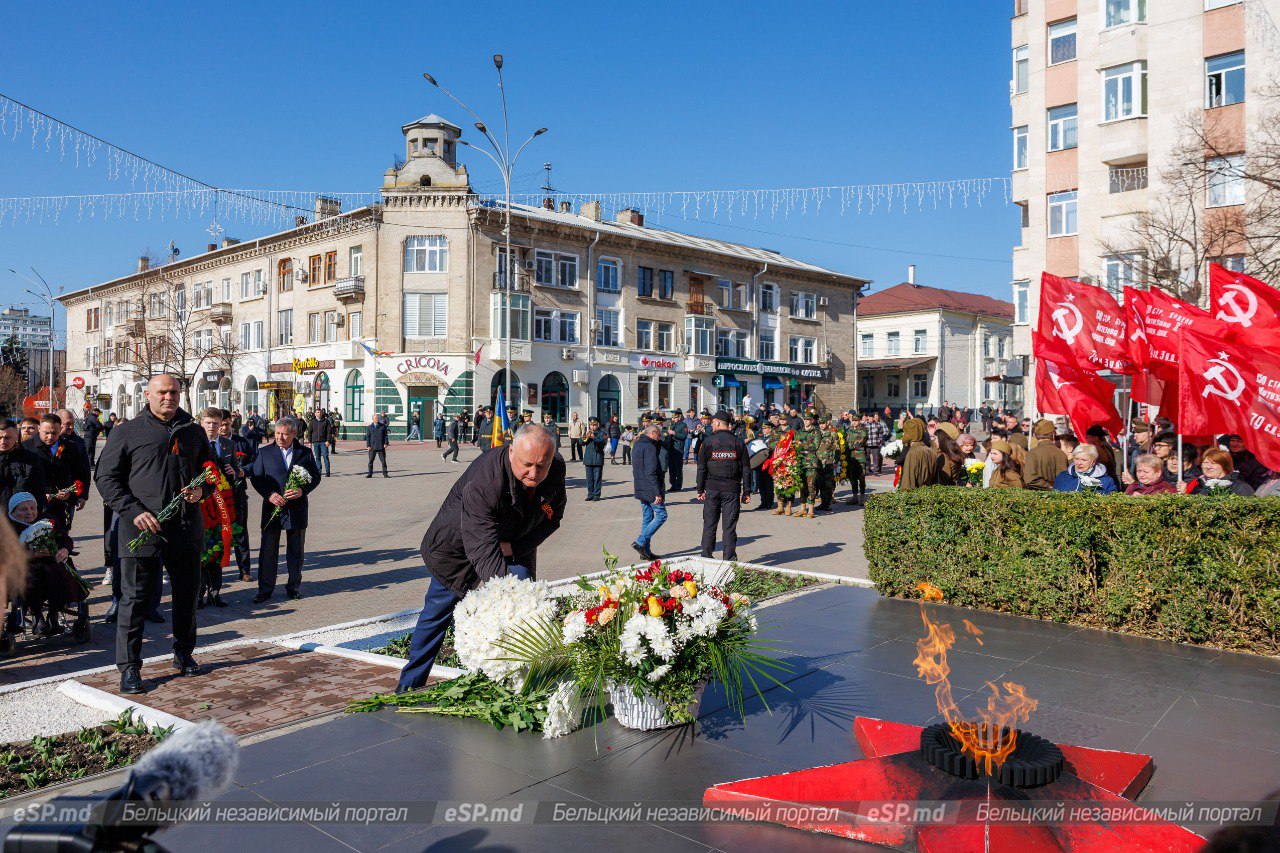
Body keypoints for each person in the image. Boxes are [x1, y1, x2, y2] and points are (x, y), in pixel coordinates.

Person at [396, 425, 565, 692]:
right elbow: (481, 548)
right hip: (458, 550)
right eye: (527, 465)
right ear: (511, 451)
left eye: (541, 466)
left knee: (524, 607)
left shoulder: (554, 466)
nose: (534, 474)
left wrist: (516, 548)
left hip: (514, 544)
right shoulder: (485, 482)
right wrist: (508, 598)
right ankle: (408, 686)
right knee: (437, 615)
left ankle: (518, 685)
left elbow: (553, 517)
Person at [94, 374, 211, 695]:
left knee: (187, 596)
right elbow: (105, 478)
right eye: (162, 392)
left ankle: (184, 654)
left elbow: (210, 471)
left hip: (185, 529)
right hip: (141, 530)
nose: (168, 398)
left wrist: (202, 490)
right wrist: (133, 511)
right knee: (134, 600)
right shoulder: (127, 432)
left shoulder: (194, 431)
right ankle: (129, 668)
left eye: (174, 392)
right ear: (148, 394)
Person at [249, 419, 322, 602]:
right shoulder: (264, 452)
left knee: (296, 552)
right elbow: (257, 478)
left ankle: (293, 586)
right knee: (268, 551)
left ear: (294, 434)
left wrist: (302, 491)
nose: (280, 437)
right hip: (272, 508)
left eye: (284, 434)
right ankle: (265, 589)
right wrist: (269, 494)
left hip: (296, 509)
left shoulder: (304, 453)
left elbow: (315, 476)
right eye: (277, 433)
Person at [197, 408, 239, 608]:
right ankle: (198, 594)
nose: (213, 427)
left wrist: (234, 473)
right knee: (200, 552)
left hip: (223, 505)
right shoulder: (194, 444)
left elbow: (235, 472)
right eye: (208, 423)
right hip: (201, 505)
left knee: (218, 548)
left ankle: (215, 593)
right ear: (201, 423)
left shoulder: (228, 444)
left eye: (216, 423)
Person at [697, 411, 751, 561]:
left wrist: (700, 489)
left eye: (713, 422)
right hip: (731, 491)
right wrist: (747, 492)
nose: (712, 424)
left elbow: (701, 468)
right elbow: (746, 469)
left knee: (709, 524)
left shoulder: (708, 442)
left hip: (712, 490)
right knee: (729, 527)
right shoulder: (739, 442)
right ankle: (729, 558)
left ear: (719, 423)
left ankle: (706, 556)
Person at [25, 414, 79, 531]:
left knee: (60, 541)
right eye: (46, 433)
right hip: (33, 507)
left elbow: (79, 474)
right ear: (39, 428)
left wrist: (72, 494)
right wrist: (39, 495)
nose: (50, 437)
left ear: (60, 430)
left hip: (60, 506)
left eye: (54, 433)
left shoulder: (70, 447)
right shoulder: (26, 448)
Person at [218, 408, 254, 582]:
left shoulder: (241, 442)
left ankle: (245, 569)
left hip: (238, 493)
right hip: (216, 495)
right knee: (217, 532)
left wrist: (241, 471)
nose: (223, 428)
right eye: (221, 425)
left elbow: (255, 463)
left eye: (226, 424)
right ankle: (215, 572)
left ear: (231, 423)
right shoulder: (210, 443)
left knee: (240, 531)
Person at [630, 423, 667, 561]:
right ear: (652, 433)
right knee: (662, 515)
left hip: (640, 486)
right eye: (658, 435)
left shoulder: (638, 444)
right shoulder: (650, 447)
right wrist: (657, 492)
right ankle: (640, 542)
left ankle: (645, 551)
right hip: (650, 488)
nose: (659, 438)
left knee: (647, 517)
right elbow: (651, 471)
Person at [0, 419, 45, 514]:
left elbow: (39, 491)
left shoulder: (30, 459)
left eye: (7, 438)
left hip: (22, 517)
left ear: (16, 436)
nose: (3, 442)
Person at [1053, 444, 1118, 494]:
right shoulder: (1063, 477)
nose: (1079, 463)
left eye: (1084, 460)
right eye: (1077, 459)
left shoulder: (1106, 481)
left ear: (1093, 462)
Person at [1024, 419, 1069, 491]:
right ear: (1053, 435)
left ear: (1035, 436)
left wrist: (1049, 487)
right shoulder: (1061, 453)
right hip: (1058, 497)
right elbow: (1064, 479)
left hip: (1038, 497)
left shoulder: (1032, 453)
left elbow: (1030, 480)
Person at [1189, 448, 1255, 496]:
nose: (1208, 467)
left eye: (1213, 463)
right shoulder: (1198, 486)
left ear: (1224, 465)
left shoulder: (1240, 488)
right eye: (1205, 463)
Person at [897, 418, 937, 491]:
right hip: (927, 494)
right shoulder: (930, 451)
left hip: (915, 496)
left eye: (906, 431)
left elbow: (907, 485)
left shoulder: (913, 453)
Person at [582, 416, 607, 501]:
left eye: (594, 425)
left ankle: (596, 495)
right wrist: (585, 436)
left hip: (597, 459)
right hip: (588, 459)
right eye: (591, 425)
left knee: (597, 479)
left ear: (598, 424)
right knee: (589, 479)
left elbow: (602, 443)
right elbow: (582, 443)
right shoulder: (587, 433)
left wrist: (594, 437)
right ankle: (590, 494)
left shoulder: (602, 433)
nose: (592, 427)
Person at [306, 409, 332, 478]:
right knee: (317, 457)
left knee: (325, 456)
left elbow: (329, 432)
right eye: (318, 412)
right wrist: (310, 442)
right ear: (315, 413)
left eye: (320, 412)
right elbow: (309, 432)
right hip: (315, 442)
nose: (319, 413)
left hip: (324, 442)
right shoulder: (312, 422)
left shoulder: (326, 421)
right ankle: (319, 472)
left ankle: (327, 472)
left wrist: (328, 441)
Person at [667, 410, 688, 491]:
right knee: (671, 468)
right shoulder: (672, 424)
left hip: (678, 449)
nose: (673, 419)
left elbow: (684, 436)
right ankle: (672, 484)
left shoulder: (683, 425)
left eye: (675, 417)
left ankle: (678, 486)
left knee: (678, 469)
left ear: (679, 417)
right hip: (671, 449)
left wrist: (674, 433)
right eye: (672, 417)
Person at [365, 412, 390, 477]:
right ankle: (370, 474)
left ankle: (385, 473)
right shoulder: (369, 427)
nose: (377, 419)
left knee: (383, 461)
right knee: (370, 461)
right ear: (373, 419)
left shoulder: (383, 426)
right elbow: (368, 437)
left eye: (378, 418)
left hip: (381, 446)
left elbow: (385, 436)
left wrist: (386, 443)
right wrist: (368, 446)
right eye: (376, 418)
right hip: (372, 447)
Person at [865, 411, 888, 476]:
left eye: (872, 417)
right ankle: (866, 470)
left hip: (875, 444)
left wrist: (879, 442)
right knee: (867, 458)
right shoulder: (864, 424)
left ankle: (876, 471)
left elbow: (880, 435)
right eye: (870, 417)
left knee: (876, 458)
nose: (871, 418)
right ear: (868, 417)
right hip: (867, 444)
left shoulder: (878, 425)